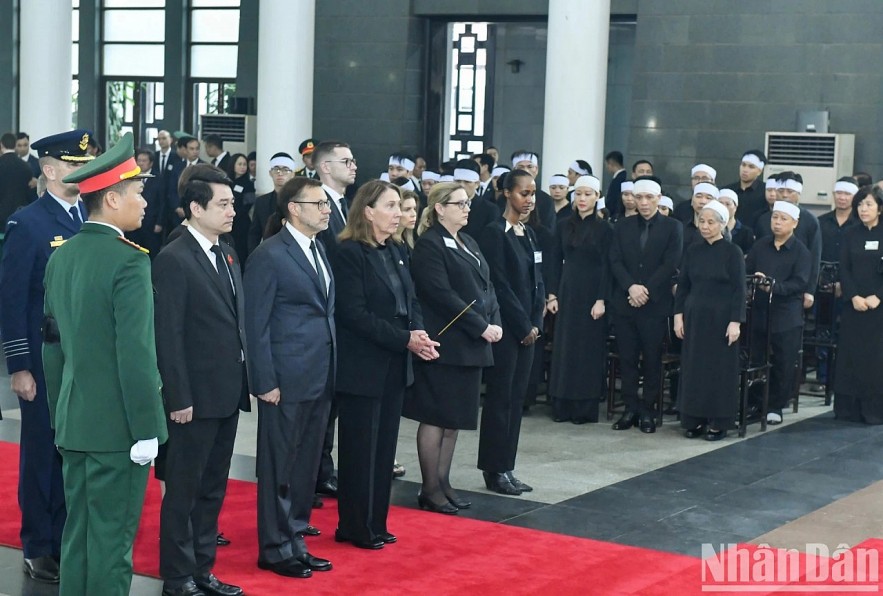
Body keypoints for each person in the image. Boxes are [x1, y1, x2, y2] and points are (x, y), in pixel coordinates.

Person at [43, 132, 167, 595]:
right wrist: (147, 427)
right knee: (113, 543)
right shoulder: (129, 262)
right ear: (112, 199)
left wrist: (61, 413)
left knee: (79, 536)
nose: (144, 203)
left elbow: (51, 348)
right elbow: (134, 356)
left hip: (75, 422)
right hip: (119, 429)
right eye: (137, 193)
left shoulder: (63, 256)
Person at [0, 129, 92, 585]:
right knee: (42, 453)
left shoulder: (89, 219)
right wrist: (18, 365)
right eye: (74, 164)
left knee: (75, 451)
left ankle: (68, 538)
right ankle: (39, 544)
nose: (82, 170)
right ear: (51, 170)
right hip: (42, 357)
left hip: (83, 360)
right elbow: (13, 298)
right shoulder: (29, 223)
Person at [153, 165, 248, 596]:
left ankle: (203, 570)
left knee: (212, 490)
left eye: (232, 203)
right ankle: (176, 576)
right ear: (196, 207)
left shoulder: (226, 252)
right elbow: (167, 334)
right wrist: (178, 395)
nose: (232, 211)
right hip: (191, 398)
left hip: (226, 394)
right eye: (224, 204)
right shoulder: (174, 258)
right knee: (184, 493)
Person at [332, 180, 439, 548]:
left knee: (384, 450)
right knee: (360, 449)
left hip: (395, 362)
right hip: (363, 365)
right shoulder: (349, 252)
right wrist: (404, 339)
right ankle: (354, 526)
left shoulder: (395, 251)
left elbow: (411, 302)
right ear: (368, 211)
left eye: (400, 207)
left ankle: (376, 522)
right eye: (391, 206)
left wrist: (418, 334)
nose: (399, 214)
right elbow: (354, 314)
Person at [245, 177, 335, 578]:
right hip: (285, 378)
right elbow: (256, 325)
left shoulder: (318, 249)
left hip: (320, 374)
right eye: (318, 203)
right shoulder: (270, 255)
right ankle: (275, 547)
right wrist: (264, 381)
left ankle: (296, 539)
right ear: (294, 208)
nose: (326, 209)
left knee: (305, 466)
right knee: (280, 465)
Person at [403, 182, 502, 513]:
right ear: (440, 208)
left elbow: (487, 286)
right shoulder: (430, 245)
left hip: (471, 344)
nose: (466, 208)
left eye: (468, 202)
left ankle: (444, 482)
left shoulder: (468, 241)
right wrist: (481, 325)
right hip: (447, 343)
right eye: (459, 203)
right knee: (436, 416)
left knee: (454, 419)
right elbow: (440, 294)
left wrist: (495, 320)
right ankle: (429, 487)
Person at [476, 169, 545, 495]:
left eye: (532, 193)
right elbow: (500, 285)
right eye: (523, 193)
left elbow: (537, 282)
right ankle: (493, 468)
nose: (529, 200)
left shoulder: (528, 233)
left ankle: (508, 466)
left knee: (516, 400)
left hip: (528, 330)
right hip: (507, 330)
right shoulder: (494, 233)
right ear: (507, 193)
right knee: (500, 400)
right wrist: (522, 325)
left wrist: (537, 323)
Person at [609, 176, 683, 433]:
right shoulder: (622, 226)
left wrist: (646, 290)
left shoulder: (673, 227)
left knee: (652, 359)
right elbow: (615, 260)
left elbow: (670, 264)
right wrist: (631, 287)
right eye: (639, 197)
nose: (643, 202)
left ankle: (648, 409)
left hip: (654, 304)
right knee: (627, 358)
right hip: (625, 302)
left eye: (649, 197)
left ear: (659, 198)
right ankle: (630, 408)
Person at [674, 200, 746, 440]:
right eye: (701, 221)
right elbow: (683, 286)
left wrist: (735, 321)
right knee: (694, 367)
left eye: (710, 222)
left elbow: (739, 290)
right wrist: (678, 316)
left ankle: (718, 421)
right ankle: (693, 419)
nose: (704, 226)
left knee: (719, 370)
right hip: (695, 316)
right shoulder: (693, 250)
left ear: (722, 224)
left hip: (721, 318)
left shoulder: (732, 252)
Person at [547, 175, 613, 424]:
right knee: (565, 347)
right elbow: (554, 260)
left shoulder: (606, 228)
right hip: (568, 289)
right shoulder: (563, 225)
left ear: (597, 197)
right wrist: (552, 294)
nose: (583, 199)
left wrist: (601, 299)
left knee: (588, 350)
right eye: (579, 194)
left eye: (588, 194)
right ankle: (561, 405)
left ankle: (583, 408)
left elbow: (608, 265)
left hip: (593, 292)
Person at [745, 201, 811, 425]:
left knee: (783, 363)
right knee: (755, 359)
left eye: (783, 219)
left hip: (786, 315)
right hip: (759, 312)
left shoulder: (801, 252)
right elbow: (747, 272)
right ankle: (754, 402)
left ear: (794, 223)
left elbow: (799, 283)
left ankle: (775, 406)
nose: (778, 223)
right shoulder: (760, 246)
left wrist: (772, 286)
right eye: (775, 218)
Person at [833, 186, 883, 424]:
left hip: (879, 307)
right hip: (854, 305)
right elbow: (844, 268)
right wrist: (853, 296)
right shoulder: (850, 234)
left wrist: (879, 296)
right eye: (861, 204)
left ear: (880, 209)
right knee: (851, 355)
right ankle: (848, 409)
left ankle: (874, 410)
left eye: (869, 205)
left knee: (875, 358)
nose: (864, 209)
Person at [755, 172, 822, 311]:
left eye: (790, 191)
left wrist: (810, 290)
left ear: (799, 193)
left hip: (795, 287)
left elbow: (815, 256)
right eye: (780, 191)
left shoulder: (810, 221)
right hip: (764, 287)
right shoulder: (763, 219)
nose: (784, 195)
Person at [248, 151, 296, 253]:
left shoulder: (299, 201)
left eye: (285, 169)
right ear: (270, 173)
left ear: (292, 174)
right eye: (276, 169)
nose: (280, 173)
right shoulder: (261, 201)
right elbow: (254, 234)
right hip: (268, 253)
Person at [125, 148, 165, 257]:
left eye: (144, 161)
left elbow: (162, 202)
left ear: (151, 163)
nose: (141, 163)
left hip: (151, 223)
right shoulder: (130, 177)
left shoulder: (158, 178)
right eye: (139, 160)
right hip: (133, 223)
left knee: (151, 252)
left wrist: (159, 223)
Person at [511, 150, 556, 231]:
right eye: (520, 167)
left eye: (530, 167)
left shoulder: (546, 200)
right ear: (513, 170)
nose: (525, 171)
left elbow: (549, 231)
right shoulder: (506, 196)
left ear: (537, 170)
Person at [459, 158, 500, 241]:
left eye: (467, 182)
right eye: (457, 181)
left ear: (477, 184)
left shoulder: (490, 210)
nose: (461, 185)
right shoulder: (446, 206)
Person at [725, 150, 767, 226]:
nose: (745, 170)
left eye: (751, 167)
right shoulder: (728, 190)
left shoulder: (765, 191)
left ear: (759, 171)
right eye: (743, 165)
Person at [0, 132, 34, 223]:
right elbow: (29, 191)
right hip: (20, 213)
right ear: (15, 145)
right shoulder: (26, 166)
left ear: (1, 144)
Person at [229, 152, 255, 263]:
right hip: (226, 220)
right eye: (239, 164)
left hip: (241, 223)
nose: (243, 167)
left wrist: (234, 215)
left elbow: (248, 205)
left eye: (245, 164)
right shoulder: (227, 181)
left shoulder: (248, 184)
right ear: (233, 165)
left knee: (240, 252)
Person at [718, 188, 754, 254]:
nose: (724, 207)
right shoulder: (711, 230)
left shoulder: (746, 232)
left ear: (735, 207)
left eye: (728, 204)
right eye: (720, 203)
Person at [604, 150, 627, 220]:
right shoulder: (619, 177)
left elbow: (613, 199)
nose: (606, 167)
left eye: (607, 164)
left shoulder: (619, 179)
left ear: (611, 163)